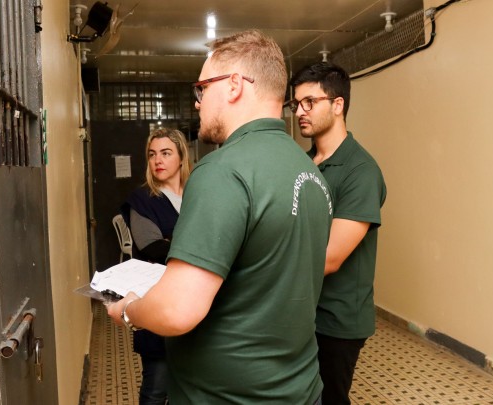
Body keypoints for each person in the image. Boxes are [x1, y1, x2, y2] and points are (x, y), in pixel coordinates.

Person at [107, 30, 333, 404]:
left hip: (227, 396)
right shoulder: (308, 171)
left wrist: (128, 308)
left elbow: (178, 310)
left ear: (233, 86)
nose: (198, 103)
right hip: (299, 389)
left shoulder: (221, 171)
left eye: (202, 89)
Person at [287, 62, 387, 405]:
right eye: (296, 104)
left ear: (338, 104)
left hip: (337, 320)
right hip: (302, 310)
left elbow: (330, 258)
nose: (300, 112)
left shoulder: (361, 171)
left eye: (310, 102)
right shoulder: (304, 162)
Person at [120, 128, 191, 405]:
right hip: (157, 300)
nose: (157, 160)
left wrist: (172, 240)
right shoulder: (143, 200)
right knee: (156, 388)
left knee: (190, 386)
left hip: (194, 300)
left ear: (181, 157)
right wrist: (193, 246)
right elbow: (152, 247)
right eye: (152, 155)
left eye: (165, 153)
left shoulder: (197, 193)